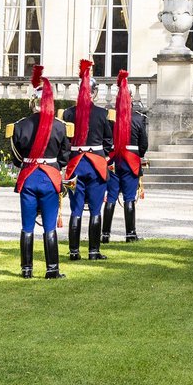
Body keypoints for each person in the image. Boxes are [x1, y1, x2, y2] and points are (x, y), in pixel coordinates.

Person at [10, 65, 70, 279]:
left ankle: (26, 270)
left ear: (32, 102)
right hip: (50, 178)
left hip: (28, 177)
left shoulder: (20, 125)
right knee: (49, 226)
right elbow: (65, 155)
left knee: (27, 226)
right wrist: (55, 166)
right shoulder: (60, 126)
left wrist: (27, 164)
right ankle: (52, 269)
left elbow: (16, 156)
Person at [61, 60, 114, 261]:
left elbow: (64, 141)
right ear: (94, 93)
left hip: (75, 163)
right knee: (95, 208)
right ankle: (93, 251)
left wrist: (67, 159)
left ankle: (74, 251)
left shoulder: (67, 113)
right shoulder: (102, 113)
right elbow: (109, 140)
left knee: (75, 209)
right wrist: (104, 156)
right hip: (96, 164)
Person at [108, 70, 148, 243]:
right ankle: (130, 234)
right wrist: (139, 155)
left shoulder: (110, 117)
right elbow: (143, 144)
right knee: (129, 198)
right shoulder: (138, 119)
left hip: (115, 160)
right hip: (131, 160)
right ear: (130, 98)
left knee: (110, 198)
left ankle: (104, 234)